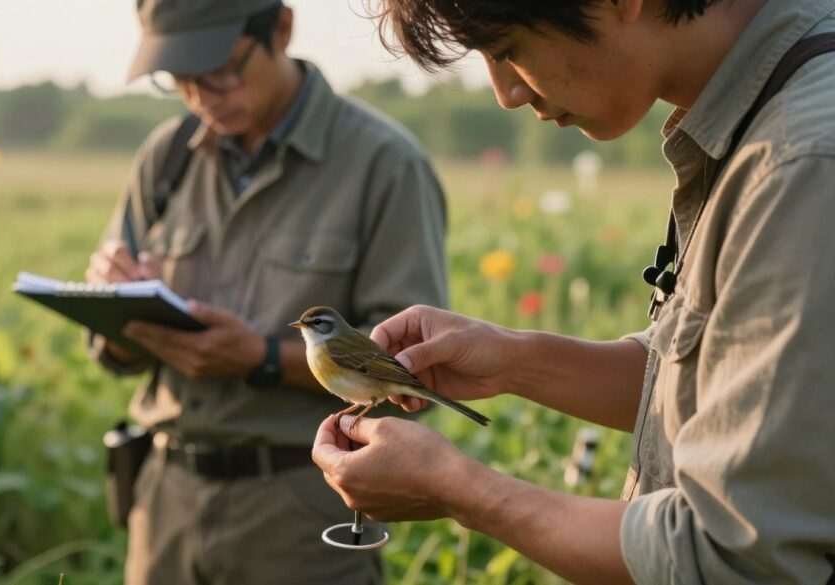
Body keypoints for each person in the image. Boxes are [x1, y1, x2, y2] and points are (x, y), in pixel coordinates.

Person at [312, 1, 835, 583]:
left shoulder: (801, 162)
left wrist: (464, 491)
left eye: (507, 50)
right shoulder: (763, 113)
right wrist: (515, 360)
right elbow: (725, 387)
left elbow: (730, 558)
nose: (505, 93)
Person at [84, 1, 448, 583]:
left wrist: (261, 358)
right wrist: (116, 308)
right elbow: (109, 352)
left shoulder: (382, 163)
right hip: (163, 505)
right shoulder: (167, 157)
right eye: (180, 78)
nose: (203, 94)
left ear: (280, 28)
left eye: (221, 69)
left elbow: (413, 367)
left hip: (298, 510)